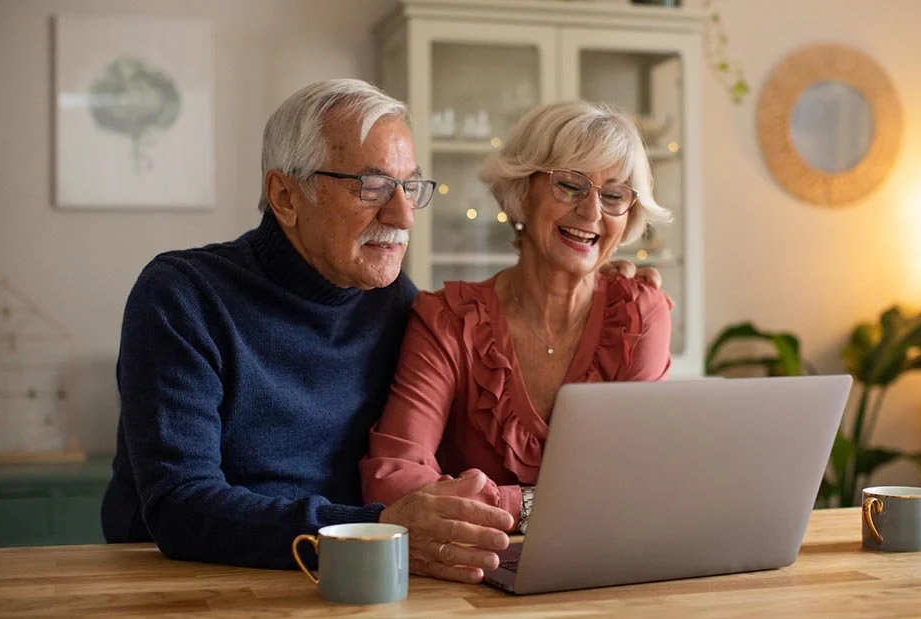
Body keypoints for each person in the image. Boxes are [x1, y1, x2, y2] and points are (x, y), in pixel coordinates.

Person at [101, 78, 663, 585]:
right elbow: (180, 506)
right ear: (285, 196)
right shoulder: (182, 296)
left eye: (411, 187)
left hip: (354, 578)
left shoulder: (394, 301)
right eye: (371, 186)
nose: (403, 215)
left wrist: (588, 274)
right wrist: (380, 528)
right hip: (186, 585)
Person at [360, 100, 673, 535]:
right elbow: (392, 479)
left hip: (604, 576)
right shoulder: (448, 320)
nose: (591, 212)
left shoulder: (639, 313)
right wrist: (534, 505)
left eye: (614, 195)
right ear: (522, 192)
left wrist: (499, 502)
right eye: (569, 185)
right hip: (468, 576)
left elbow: (638, 484)